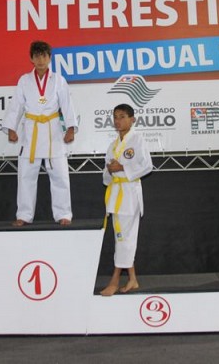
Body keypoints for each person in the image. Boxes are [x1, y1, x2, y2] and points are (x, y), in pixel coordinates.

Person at [2, 41, 78, 227]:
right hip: (32, 131)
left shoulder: (59, 80)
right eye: (37, 56)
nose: (41, 60)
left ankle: (63, 213)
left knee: (60, 175)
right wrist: (11, 128)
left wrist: (70, 128)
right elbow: (16, 105)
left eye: (44, 56)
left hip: (53, 131)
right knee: (26, 176)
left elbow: (67, 104)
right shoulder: (24, 80)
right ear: (31, 58)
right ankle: (24, 214)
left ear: (49, 58)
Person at [100, 103, 153, 296]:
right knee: (122, 237)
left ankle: (115, 280)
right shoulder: (113, 145)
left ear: (132, 119)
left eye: (122, 117)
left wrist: (122, 168)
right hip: (116, 194)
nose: (118, 121)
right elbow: (106, 176)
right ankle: (132, 279)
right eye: (115, 117)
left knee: (124, 239)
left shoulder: (138, 140)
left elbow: (147, 166)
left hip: (129, 195)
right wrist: (110, 170)